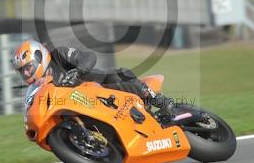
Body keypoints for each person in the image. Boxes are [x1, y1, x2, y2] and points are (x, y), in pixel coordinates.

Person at [12, 40, 173, 115]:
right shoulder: (38, 90)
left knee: (117, 76)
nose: (26, 73)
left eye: (28, 67)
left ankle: (164, 103)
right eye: (22, 71)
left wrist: (78, 71)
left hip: (100, 87)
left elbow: (88, 56)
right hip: (84, 108)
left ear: (39, 57)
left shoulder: (58, 56)